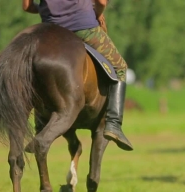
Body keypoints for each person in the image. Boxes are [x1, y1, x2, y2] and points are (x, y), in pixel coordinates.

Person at [22, 0, 133, 151]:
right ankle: (113, 124)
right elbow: (101, 2)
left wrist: (48, 10)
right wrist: (97, 15)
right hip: (84, 27)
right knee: (120, 67)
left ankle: (39, 120)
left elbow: (27, 7)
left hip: (50, 29)